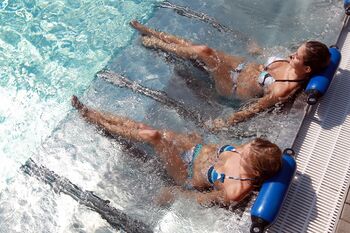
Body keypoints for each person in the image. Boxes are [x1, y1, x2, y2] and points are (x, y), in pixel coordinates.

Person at [71, 95, 282, 207]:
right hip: (195, 147)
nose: (241, 150)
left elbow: (202, 199)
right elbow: (225, 148)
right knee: (145, 128)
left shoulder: (235, 190)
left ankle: (94, 120)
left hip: (186, 172)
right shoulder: (251, 151)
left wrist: (175, 193)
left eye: (245, 153)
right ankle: (95, 114)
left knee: (152, 137)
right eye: (246, 146)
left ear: (254, 172)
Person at [130, 20, 331, 129]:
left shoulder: (282, 89)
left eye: (296, 56)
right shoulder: (294, 64)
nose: (291, 55)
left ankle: (157, 43)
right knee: (199, 48)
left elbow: (255, 109)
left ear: (307, 70)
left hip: (232, 85)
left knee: (203, 52)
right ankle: (153, 33)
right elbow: (269, 64)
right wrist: (259, 52)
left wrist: (227, 122)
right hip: (241, 66)